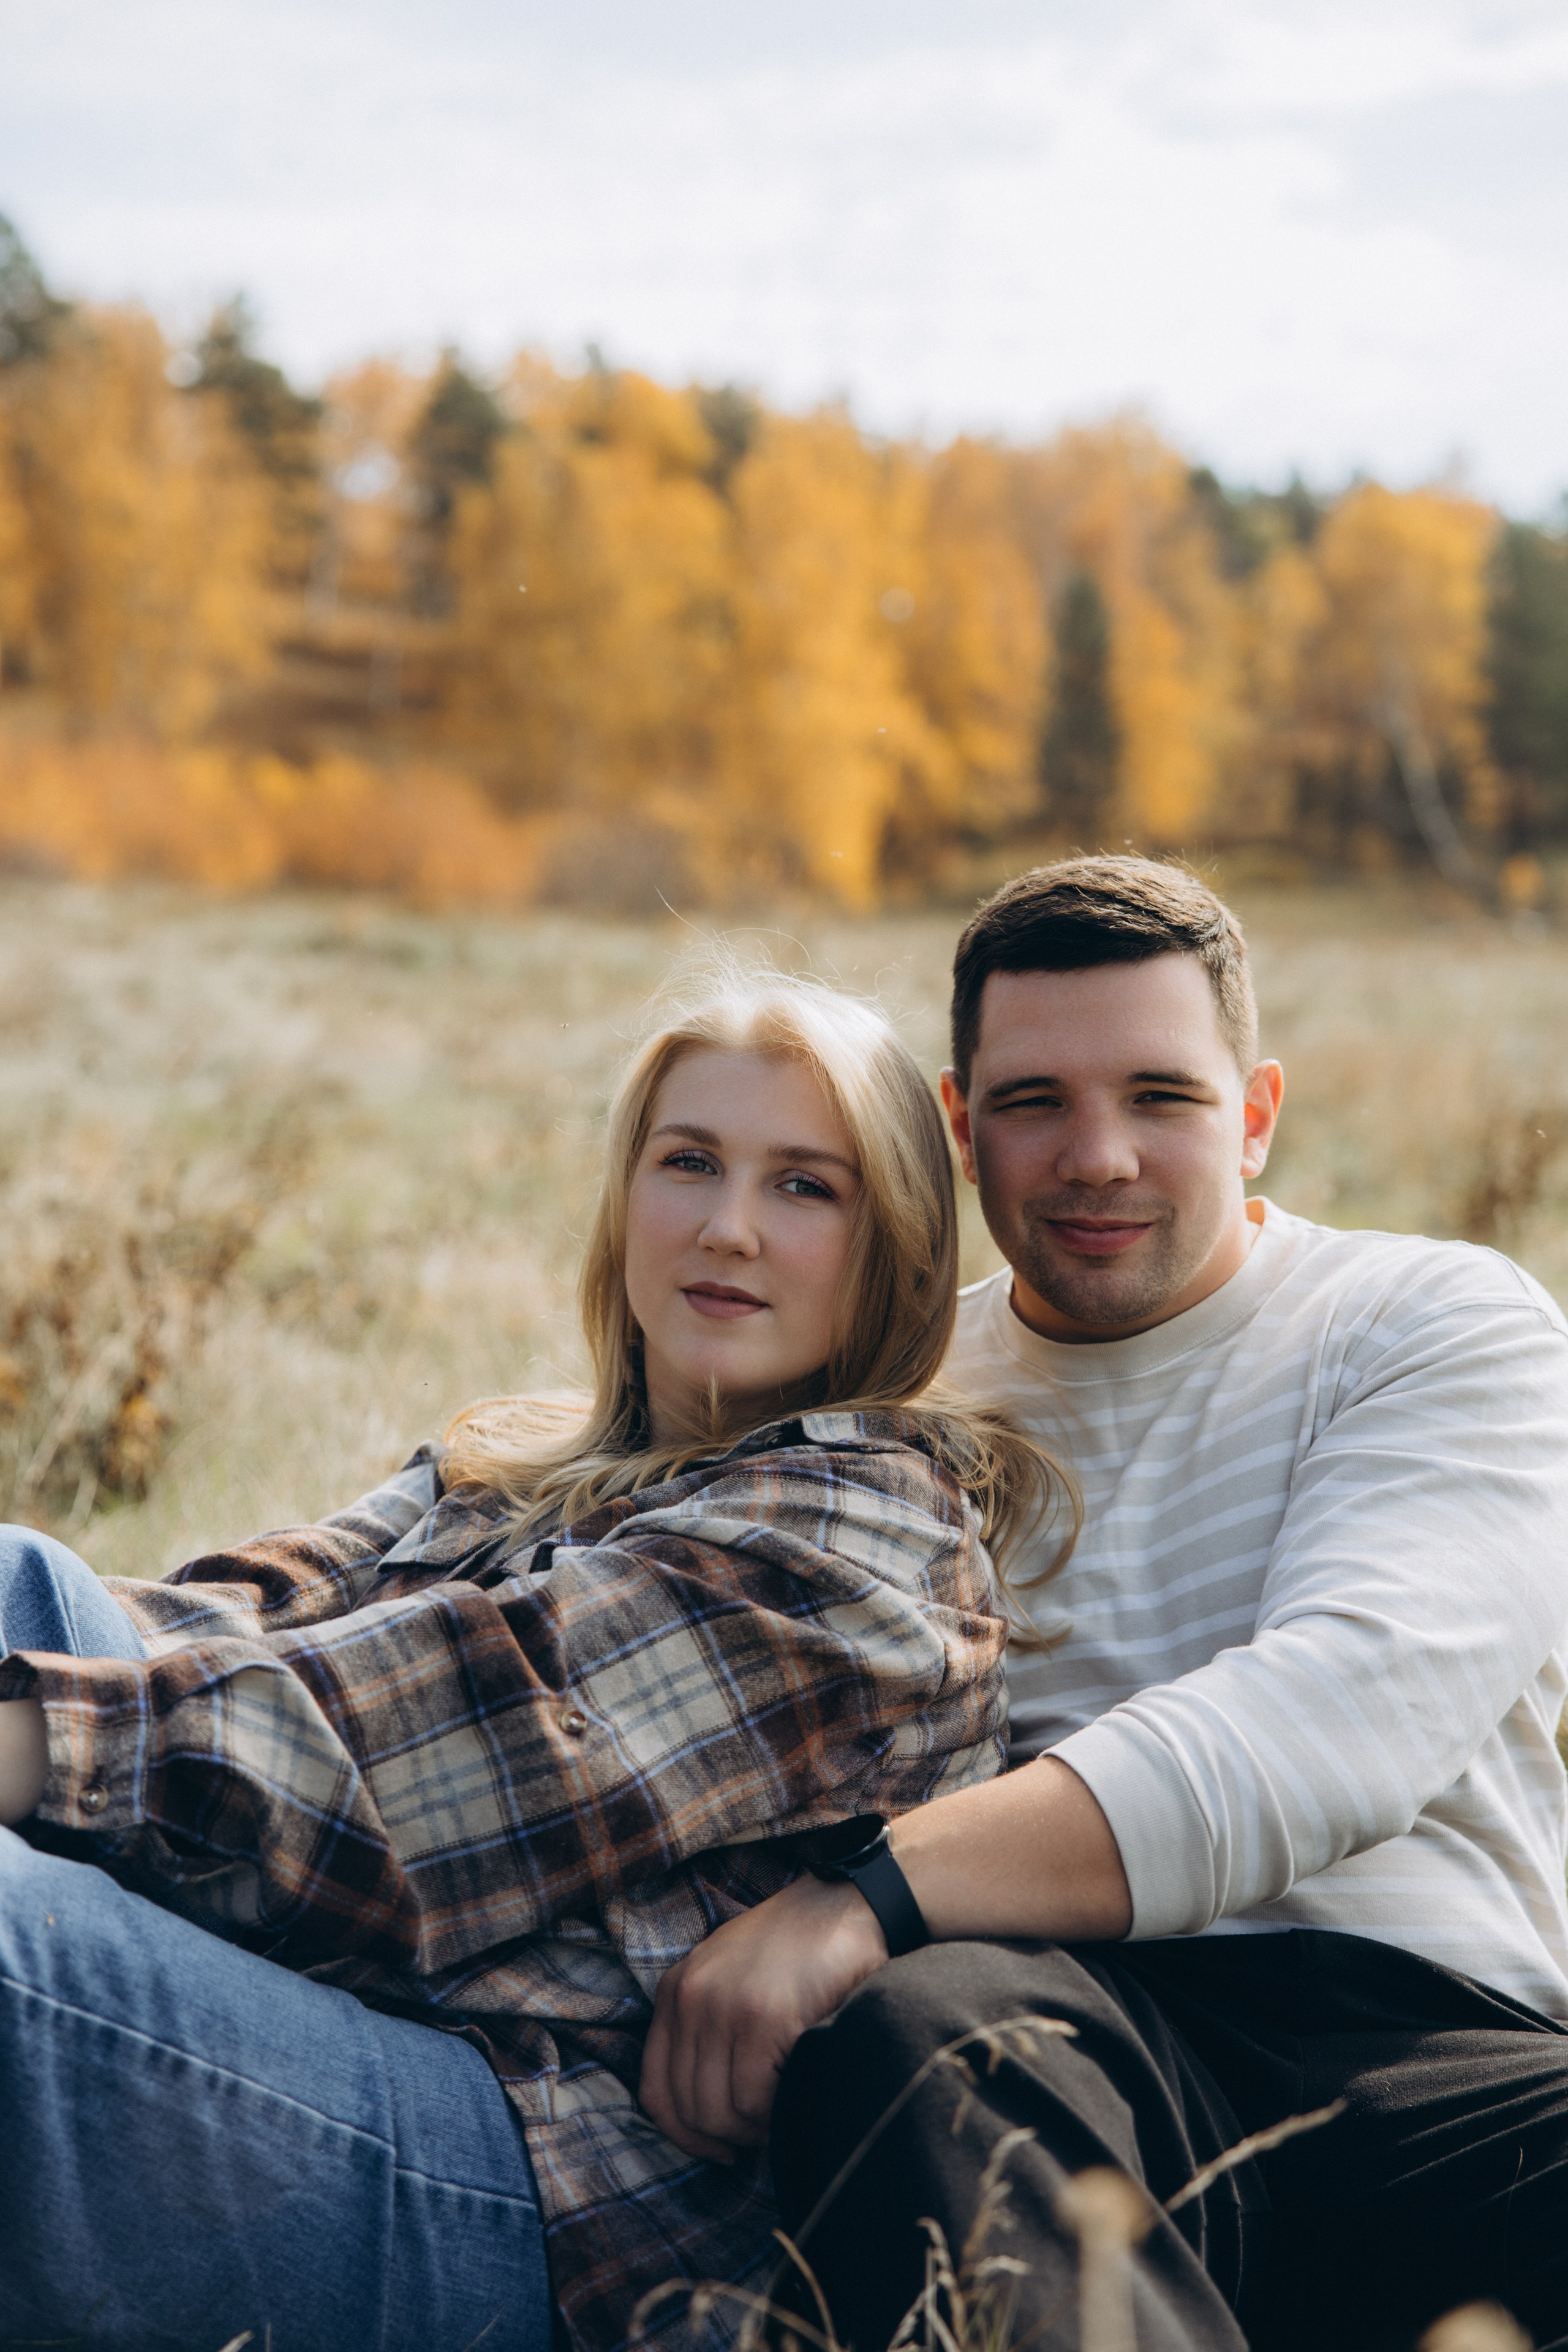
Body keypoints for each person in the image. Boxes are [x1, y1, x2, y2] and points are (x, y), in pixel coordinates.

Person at [0, 967, 1070, 2352]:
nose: (727, 1229)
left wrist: (37, 1746)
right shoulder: (531, 1460)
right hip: (350, 2018)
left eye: (805, 1188)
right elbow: (245, 1614)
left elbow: (421, 1758)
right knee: (24, 1574)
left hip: (539, 2182)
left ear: (898, 1250)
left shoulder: (864, 1554)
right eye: (688, 1163)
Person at [640, 859, 1568, 2352]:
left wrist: (866, 1896)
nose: (1097, 1158)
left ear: (1254, 1113)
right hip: (1066, 2046)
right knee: (923, 2036)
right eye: (1031, 1104)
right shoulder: (894, 1394)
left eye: (1159, 1096)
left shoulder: (1429, 1324)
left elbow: (1347, 1714)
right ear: (956, 1126)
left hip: (1436, 2057)